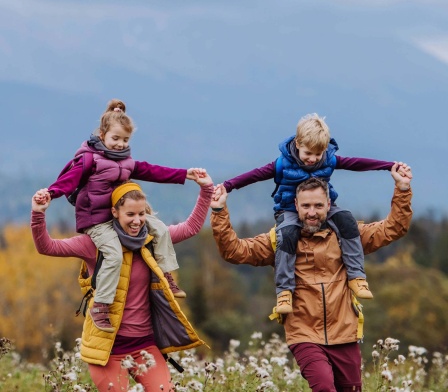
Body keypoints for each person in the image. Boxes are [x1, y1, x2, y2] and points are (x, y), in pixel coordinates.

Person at [211, 163, 412, 392]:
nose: (312, 212)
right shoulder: (279, 240)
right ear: (296, 205)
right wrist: (219, 212)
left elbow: (393, 228)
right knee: (324, 387)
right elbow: (234, 251)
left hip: (345, 333)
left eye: (318, 205)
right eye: (306, 206)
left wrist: (403, 189)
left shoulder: (348, 236)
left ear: (328, 204)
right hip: (304, 334)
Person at [31, 171, 214, 392]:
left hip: (145, 345)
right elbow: (47, 247)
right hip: (107, 349)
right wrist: (38, 213)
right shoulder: (94, 244)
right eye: (130, 214)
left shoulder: (153, 239)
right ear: (114, 212)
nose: (137, 221)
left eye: (141, 214)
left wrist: (206, 190)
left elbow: (191, 227)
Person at [38, 99, 205, 332]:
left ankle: (165, 273)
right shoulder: (89, 159)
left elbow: (153, 171)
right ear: (103, 134)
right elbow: (69, 180)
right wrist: (50, 193)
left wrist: (183, 174)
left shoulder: (127, 161)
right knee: (114, 255)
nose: (120, 144)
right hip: (96, 221)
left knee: (160, 229)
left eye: (125, 140)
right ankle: (101, 306)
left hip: (120, 217)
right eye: (115, 138)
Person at [218, 113, 411, 314]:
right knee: (287, 234)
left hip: (324, 208)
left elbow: (356, 163)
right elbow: (255, 175)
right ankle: (285, 291)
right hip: (289, 210)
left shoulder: (327, 160)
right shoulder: (282, 164)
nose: (313, 159)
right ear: (298, 143)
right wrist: (228, 186)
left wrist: (389, 166)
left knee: (346, 220)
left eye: (318, 154)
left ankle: (356, 276)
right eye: (308, 153)